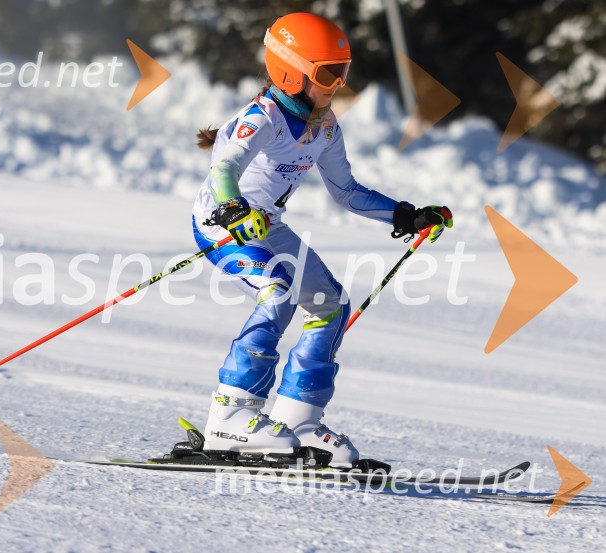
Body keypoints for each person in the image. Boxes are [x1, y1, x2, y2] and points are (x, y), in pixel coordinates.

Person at [191, 12, 453, 467]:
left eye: (342, 72)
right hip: (223, 223)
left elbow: (347, 192)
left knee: (330, 304)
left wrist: (406, 215)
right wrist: (233, 209)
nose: (336, 85)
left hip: (267, 225)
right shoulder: (262, 118)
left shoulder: (325, 128)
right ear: (289, 72)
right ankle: (229, 417)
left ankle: (298, 420)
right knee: (278, 290)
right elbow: (224, 168)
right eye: (327, 73)